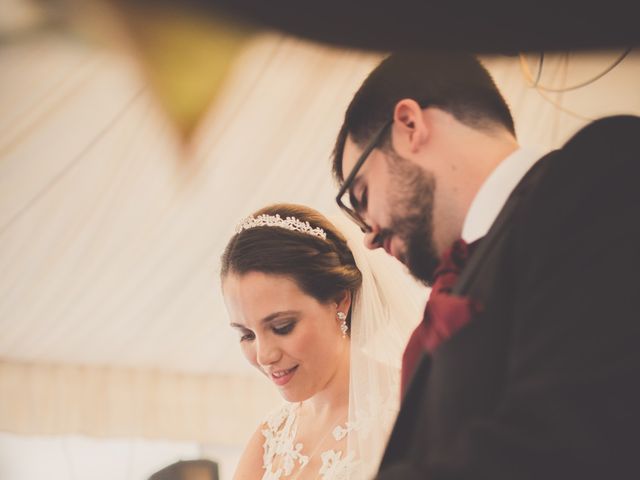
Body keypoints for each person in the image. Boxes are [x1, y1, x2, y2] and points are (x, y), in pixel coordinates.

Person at [331, 51, 640, 479]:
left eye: (361, 195)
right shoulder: (452, 290)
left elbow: (569, 437)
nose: (368, 235)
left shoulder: (603, 171)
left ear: (408, 125)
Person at [220, 203, 424, 480]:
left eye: (282, 327)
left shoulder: (411, 412)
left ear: (340, 301)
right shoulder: (270, 438)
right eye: (247, 335)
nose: (264, 355)